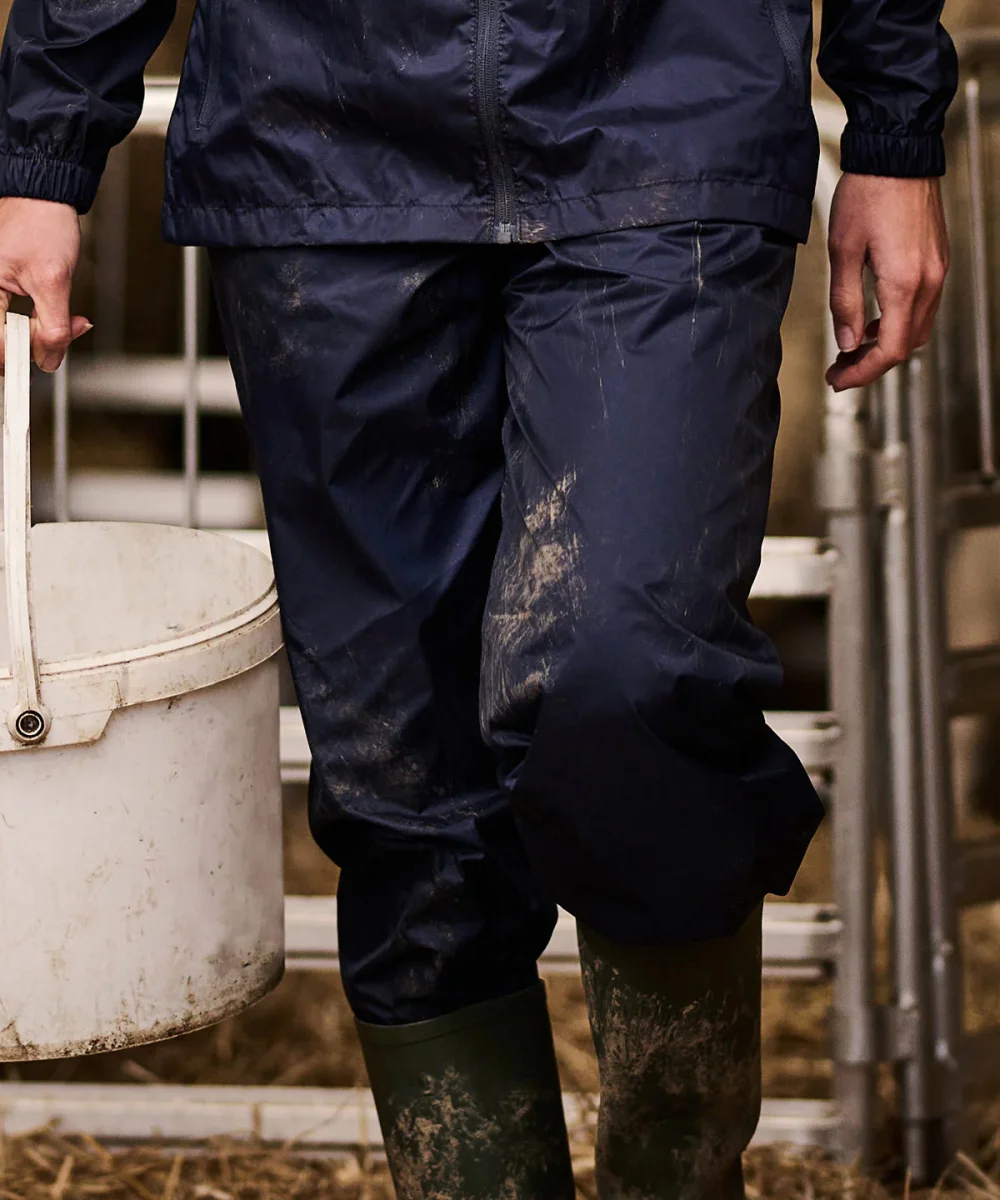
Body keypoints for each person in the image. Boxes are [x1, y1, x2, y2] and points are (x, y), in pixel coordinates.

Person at [0, 0, 954, 1194]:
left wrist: (894, 133)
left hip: (663, 116)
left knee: (633, 667)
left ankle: (678, 1169)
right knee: (401, 772)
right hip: (317, 147)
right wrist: (41, 152)